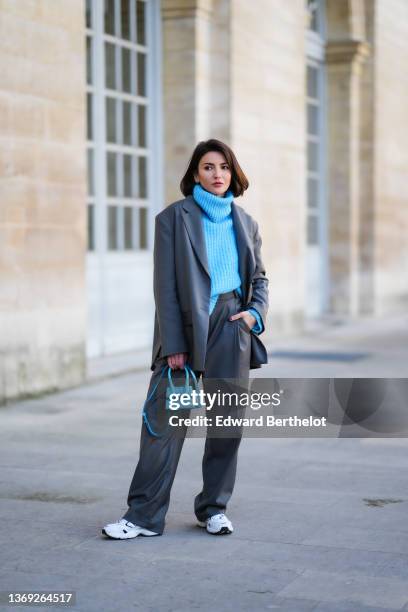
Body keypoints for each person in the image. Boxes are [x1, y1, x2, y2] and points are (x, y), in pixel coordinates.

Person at [102, 138, 269, 539]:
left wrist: (254, 315)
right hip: (187, 331)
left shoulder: (245, 222)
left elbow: (259, 278)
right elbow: (166, 287)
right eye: (209, 167)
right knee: (165, 424)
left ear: (233, 173)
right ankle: (143, 516)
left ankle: (213, 508)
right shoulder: (172, 219)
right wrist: (173, 344)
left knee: (227, 424)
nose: (217, 175)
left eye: (224, 167)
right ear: (195, 173)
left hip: (233, 327)